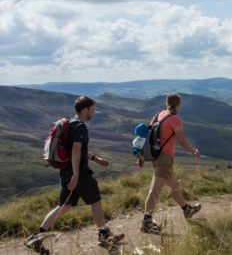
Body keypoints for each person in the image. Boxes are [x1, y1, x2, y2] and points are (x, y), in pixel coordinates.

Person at [25, 96, 124, 254]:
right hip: (77, 173)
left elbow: (78, 149)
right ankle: (105, 237)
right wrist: (76, 174)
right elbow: (76, 149)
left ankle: (35, 238)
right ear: (85, 110)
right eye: (92, 109)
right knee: (96, 201)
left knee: (63, 206)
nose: (94, 111)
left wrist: (95, 159)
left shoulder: (70, 124)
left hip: (65, 171)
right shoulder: (80, 127)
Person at [136, 93, 202, 234]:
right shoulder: (175, 119)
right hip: (164, 159)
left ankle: (187, 210)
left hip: (156, 157)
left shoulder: (158, 115)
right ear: (178, 105)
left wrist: (141, 157)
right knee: (154, 190)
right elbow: (182, 140)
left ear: (167, 103)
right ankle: (146, 221)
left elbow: (147, 138)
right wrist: (194, 151)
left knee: (175, 185)